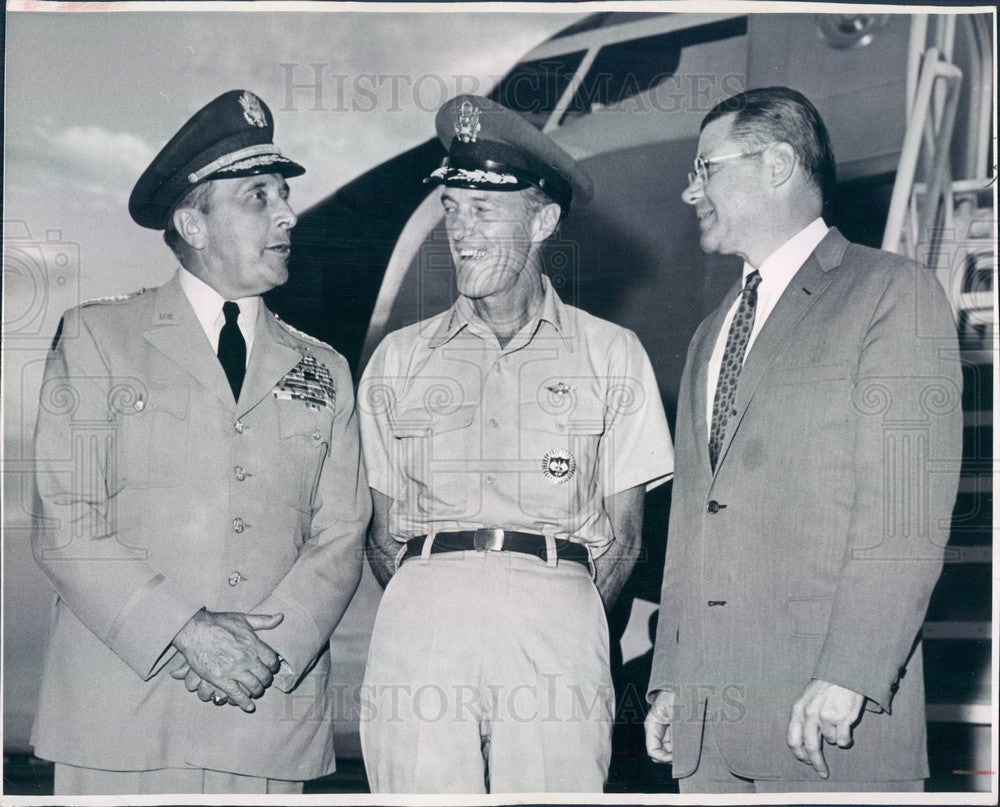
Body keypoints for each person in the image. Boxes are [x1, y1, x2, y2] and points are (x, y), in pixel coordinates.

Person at [30, 89, 371, 795]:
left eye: (284, 194)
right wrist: (187, 629)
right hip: (117, 722)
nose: (287, 215)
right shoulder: (98, 338)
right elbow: (65, 521)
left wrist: (262, 653)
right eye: (258, 197)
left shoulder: (325, 367)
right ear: (192, 220)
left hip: (266, 718)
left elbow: (342, 532)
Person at [643, 86, 963, 793]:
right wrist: (672, 673)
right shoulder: (710, 332)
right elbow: (697, 521)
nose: (689, 188)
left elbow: (904, 512)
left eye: (706, 167)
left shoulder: (891, 292)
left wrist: (851, 670)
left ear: (779, 162)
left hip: (827, 721)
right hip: (708, 734)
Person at [357, 95, 674, 793]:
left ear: (542, 219)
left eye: (482, 211)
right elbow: (381, 536)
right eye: (450, 208)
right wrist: (442, 593)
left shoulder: (611, 354)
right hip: (421, 624)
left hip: (559, 614)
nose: (459, 232)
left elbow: (624, 540)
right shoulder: (398, 359)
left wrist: (561, 608)